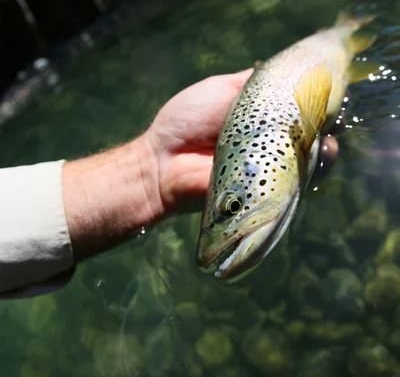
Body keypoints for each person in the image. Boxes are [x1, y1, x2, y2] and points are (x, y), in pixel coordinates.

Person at [0, 68, 338, 299]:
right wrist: (151, 168)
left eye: (233, 206)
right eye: (233, 207)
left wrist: (151, 162)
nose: (210, 251)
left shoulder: (292, 136)